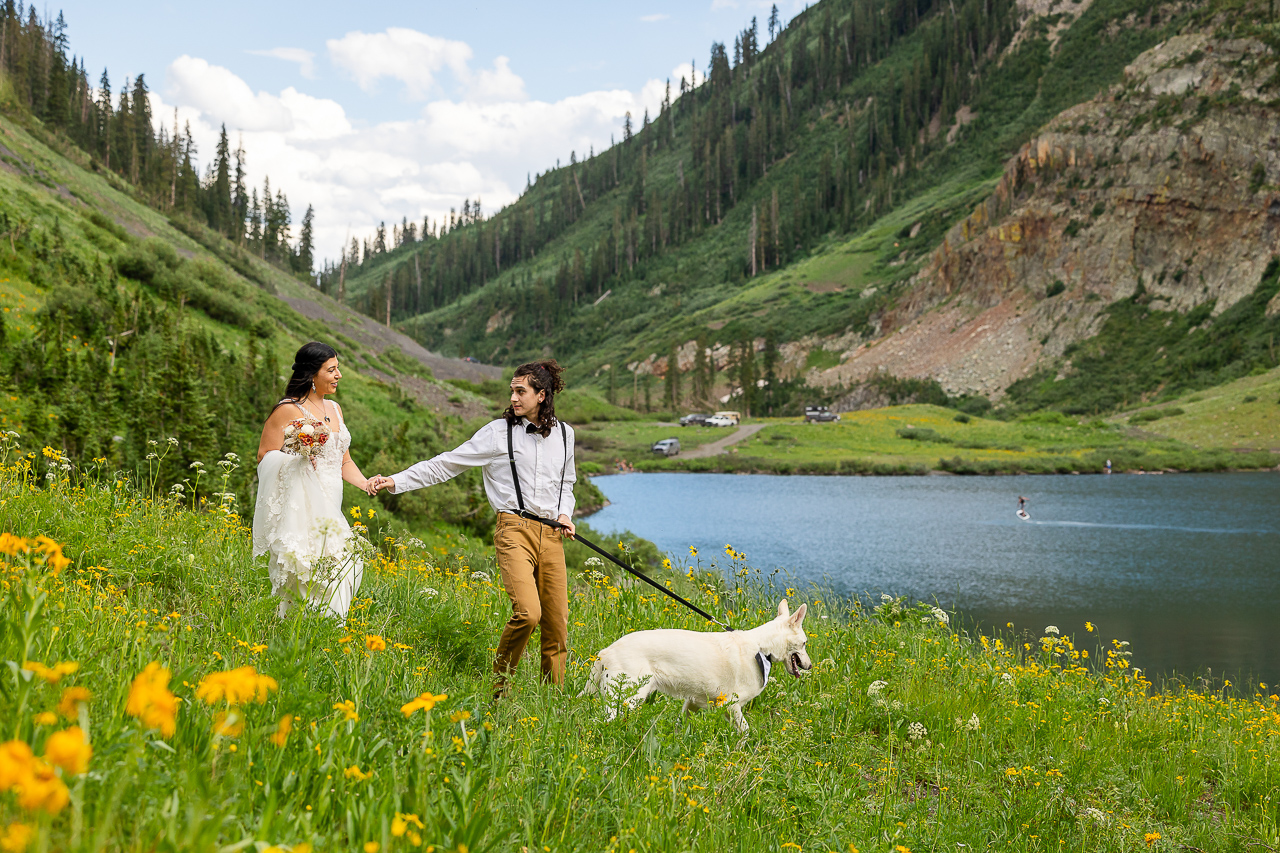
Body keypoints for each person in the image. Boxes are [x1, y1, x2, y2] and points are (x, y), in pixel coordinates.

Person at [369, 360, 577, 696]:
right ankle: (499, 689)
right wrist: (395, 481)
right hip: (514, 529)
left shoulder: (566, 435)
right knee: (527, 613)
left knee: (557, 626)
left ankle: (552, 701)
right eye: (512, 390)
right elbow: (446, 464)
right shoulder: (497, 433)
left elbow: (567, 484)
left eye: (521, 391)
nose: (513, 397)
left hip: (553, 534)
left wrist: (565, 514)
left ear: (541, 395)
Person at [252, 342, 377, 621]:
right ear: (312, 375)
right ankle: (303, 626)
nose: (338, 375)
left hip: (333, 497)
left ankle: (327, 629)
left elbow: (343, 460)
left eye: (338, 368)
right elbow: (265, 455)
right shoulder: (288, 410)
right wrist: (297, 456)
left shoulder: (335, 408)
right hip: (304, 499)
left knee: (341, 564)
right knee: (310, 566)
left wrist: (366, 483)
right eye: (331, 370)